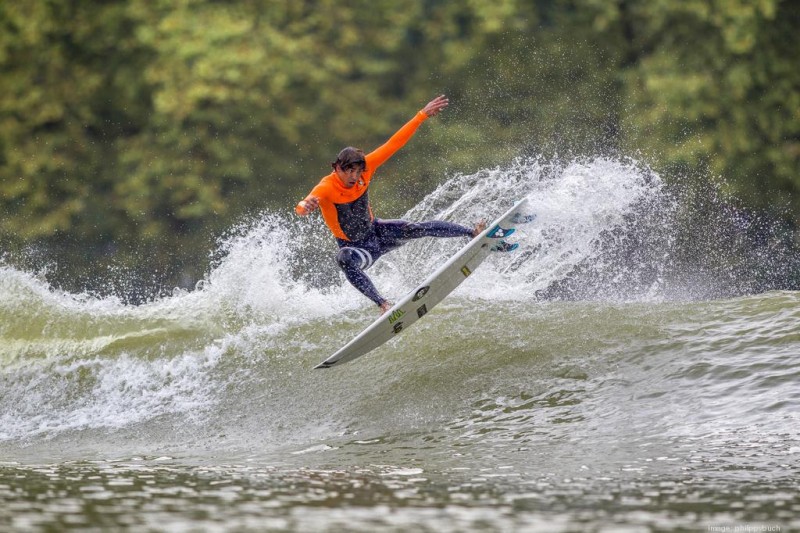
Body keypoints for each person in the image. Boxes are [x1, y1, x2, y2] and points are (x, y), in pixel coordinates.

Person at [295, 95, 485, 314]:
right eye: (349, 171)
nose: (354, 177)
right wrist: (305, 206)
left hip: (378, 232)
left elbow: (394, 143)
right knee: (344, 259)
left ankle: (472, 232)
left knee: (415, 227)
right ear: (337, 168)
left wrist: (421, 115)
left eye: (358, 171)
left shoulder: (367, 168)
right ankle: (383, 304)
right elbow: (303, 205)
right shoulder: (326, 187)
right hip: (358, 248)